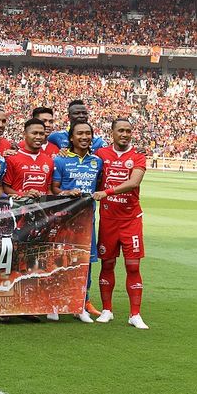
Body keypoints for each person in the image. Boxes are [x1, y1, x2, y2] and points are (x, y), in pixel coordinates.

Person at [92, 118, 149, 329]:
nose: (125, 134)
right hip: (108, 220)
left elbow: (134, 182)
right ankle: (107, 310)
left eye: (128, 131)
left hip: (131, 220)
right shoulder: (101, 155)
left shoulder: (137, 156)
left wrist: (106, 192)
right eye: (121, 131)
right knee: (107, 263)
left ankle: (135, 314)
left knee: (132, 265)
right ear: (113, 133)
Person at [49, 121, 103, 323]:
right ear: (71, 138)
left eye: (88, 133)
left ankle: (80, 305)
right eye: (80, 133)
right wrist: (67, 192)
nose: (84, 137)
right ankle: (53, 303)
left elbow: (99, 185)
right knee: (59, 260)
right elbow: (54, 188)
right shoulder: (60, 160)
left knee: (85, 263)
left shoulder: (97, 161)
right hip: (64, 219)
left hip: (87, 220)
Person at [3, 118, 54, 198]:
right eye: (34, 133)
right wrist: (24, 195)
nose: (38, 137)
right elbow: (5, 188)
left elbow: (49, 189)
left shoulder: (49, 161)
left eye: (41, 134)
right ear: (24, 134)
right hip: (19, 208)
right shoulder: (11, 158)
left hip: (42, 208)